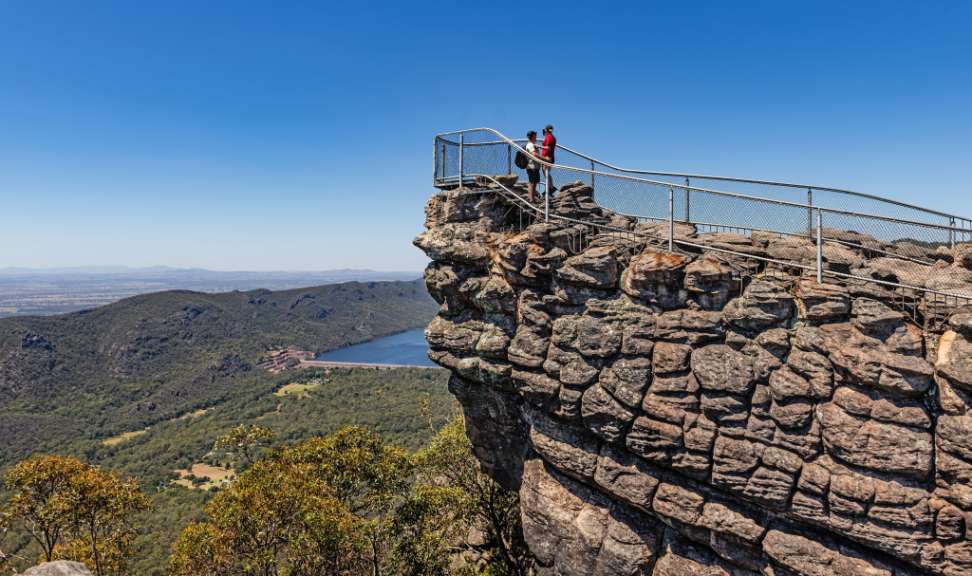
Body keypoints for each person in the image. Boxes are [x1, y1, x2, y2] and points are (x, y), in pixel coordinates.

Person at [525, 130, 540, 204]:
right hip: (531, 167)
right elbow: (534, 154)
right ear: (532, 136)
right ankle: (531, 199)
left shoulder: (532, 144)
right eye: (535, 136)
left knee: (534, 182)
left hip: (535, 167)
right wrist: (543, 158)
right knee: (532, 183)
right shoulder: (530, 145)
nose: (536, 137)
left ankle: (532, 198)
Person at [540, 124, 557, 194]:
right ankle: (550, 188)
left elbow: (548, 148)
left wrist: (538, 146)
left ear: (546, 130)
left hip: (548, 157)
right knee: (545, 173)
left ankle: (550, 188)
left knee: (546, 172)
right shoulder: (549, 137)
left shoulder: (550, 137)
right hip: (547, 157)